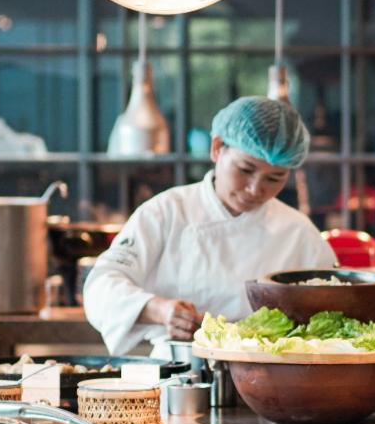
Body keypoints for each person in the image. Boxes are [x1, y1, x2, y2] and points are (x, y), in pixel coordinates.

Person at [82, 96, 333, 354]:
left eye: (275, 177)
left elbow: (334, 311)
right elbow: (101, 287)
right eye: (246, 169)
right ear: (216, 148)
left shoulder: (299, 232)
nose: (256, 188)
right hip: (177, 376)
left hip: (272, 381)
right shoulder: (166, 212)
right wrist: (160, 310)